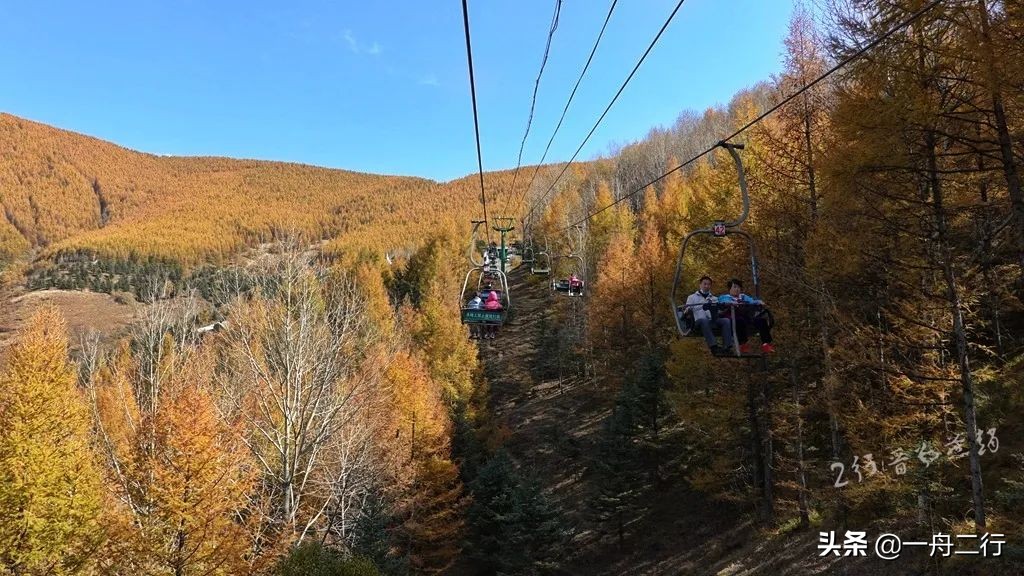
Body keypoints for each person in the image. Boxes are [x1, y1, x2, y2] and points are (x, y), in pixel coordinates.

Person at [717, 279, 774, 354]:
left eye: (738, 287)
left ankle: (766, 344)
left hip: (746, 317)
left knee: (761, 321)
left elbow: (752, 301)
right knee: (740, 321)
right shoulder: (725, 297)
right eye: (734, 287)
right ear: (729, 289)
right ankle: (743, 344)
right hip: (733, 318)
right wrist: (730, 303)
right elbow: (723, 302)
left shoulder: (744, 297)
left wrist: (759, 302)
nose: (737, 289)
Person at [683, 275, 732, 354]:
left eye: (708, 284)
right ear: (700, 285)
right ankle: (713, 346)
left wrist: (724, 308)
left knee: (725, 320)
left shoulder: (714, 298)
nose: (706, 286)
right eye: (704, 284)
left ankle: (727, 346)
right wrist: (688, 310)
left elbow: (719, 311)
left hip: (712, 320)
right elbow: (687, 309)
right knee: (704, 320)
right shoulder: (692, 297)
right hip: (698, 321)